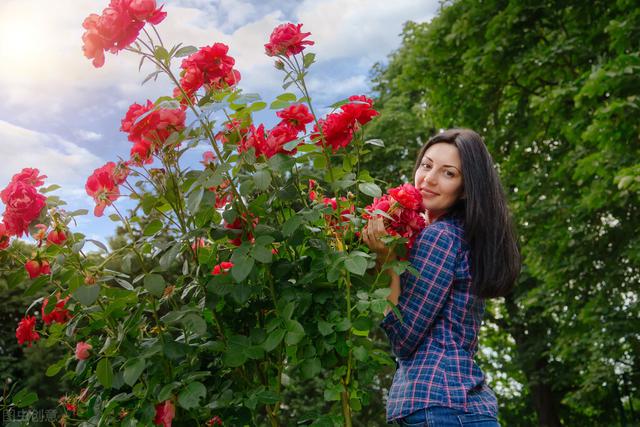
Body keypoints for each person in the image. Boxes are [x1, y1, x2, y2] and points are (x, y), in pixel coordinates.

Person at [363, 129, 520, 426]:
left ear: (464, 188)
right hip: (457, 405)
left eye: (448, 173)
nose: (429, 179)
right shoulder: (459, 235)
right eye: (426, 165)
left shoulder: (441, 236)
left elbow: (404, 337)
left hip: (441, 406)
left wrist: (387, 261)